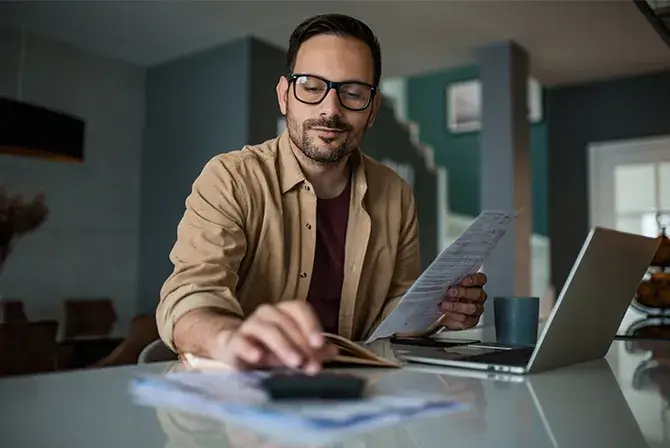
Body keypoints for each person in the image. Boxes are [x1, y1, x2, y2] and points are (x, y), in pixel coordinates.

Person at [156, 13, 488, 373]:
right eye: (312, 87)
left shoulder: (397, 194)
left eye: (353, 93)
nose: (331, 110)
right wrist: (230, 338)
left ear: (373, 109)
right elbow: (189, 294)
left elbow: (395, 314)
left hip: (357, 389)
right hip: (246, 394)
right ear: (285, 95)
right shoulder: (230, 178)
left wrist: (441, 311)